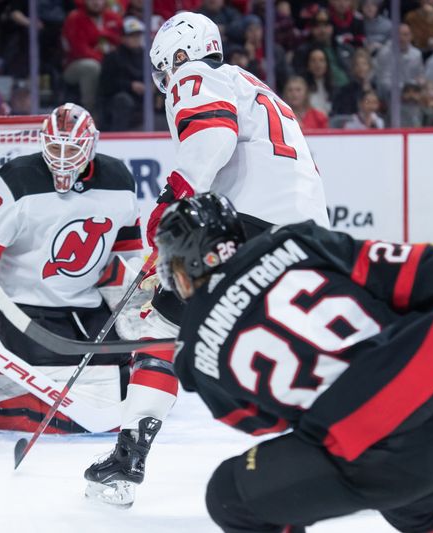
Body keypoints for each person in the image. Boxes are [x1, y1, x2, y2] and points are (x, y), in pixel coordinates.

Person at [155, 192, 433, 533]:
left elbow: (264, 421)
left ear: (186, 266)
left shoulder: (194, 353)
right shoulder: (295, 240)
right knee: (417, 506)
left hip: (384, 454)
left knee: (230, 497)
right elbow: (415, 269)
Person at [83, 11, 329, 508]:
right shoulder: (253, 85)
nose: (163, 80)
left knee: (160, 330)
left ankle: (126, 459)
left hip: (246, 228)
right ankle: (350, 441)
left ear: (177, 55)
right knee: (288, 345)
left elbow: (211, 140)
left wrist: (170, 205)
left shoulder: (195, 74)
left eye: (162, 68)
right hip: (311, 239)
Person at [0, 103, 144, 432]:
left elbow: (126, 252)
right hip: (24, 310)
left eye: (73, 148)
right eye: (55, 147)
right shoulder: (16, 180)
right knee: (68, 388)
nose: (63, 157)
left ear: (92, 144)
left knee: (122, 376)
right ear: (42, 141)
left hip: (87, 306)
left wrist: (136, 300)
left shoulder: (118, 179)